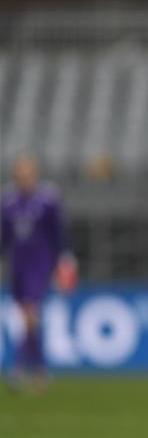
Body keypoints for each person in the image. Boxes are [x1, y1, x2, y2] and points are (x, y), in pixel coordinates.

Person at [1, 153, 76, 392]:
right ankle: (41, 369)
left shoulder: (48, 199)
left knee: (31, 313)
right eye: (20, 173)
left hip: (40, 262)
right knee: (28, 317)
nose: (24, 177)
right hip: (18, 264)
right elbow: (3, 236)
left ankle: (18, 368)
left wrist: (63, 260)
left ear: (34, 173)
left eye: (28, 172)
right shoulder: (8, 201)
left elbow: (58, 233)